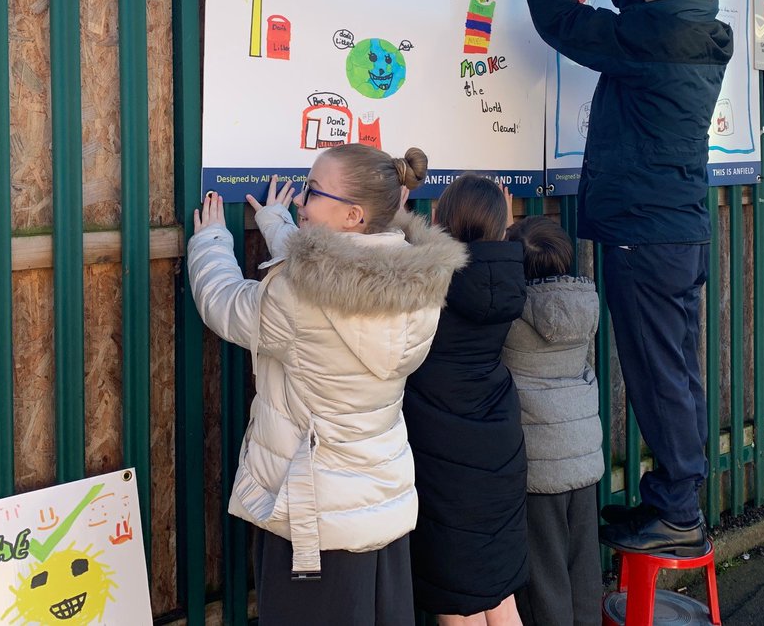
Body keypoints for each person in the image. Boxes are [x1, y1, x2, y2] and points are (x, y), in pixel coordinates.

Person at [516, 0, 733, 557]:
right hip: (675, 229)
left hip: (645, 230)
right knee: (676, 371)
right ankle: (677, 501)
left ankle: (675, 514)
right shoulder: (696, 29)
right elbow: (636, 5)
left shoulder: (656, 34)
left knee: (659, 373)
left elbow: (565, 25)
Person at [187, 145, 469, 625]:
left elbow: (225, 304)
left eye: (312, 192)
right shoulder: (417, 285)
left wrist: (211, 241)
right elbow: (338, 272)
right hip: (380, 504)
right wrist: (278, 225)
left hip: (313, 517)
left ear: (353, 215)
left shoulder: (296, 297)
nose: (301, 201)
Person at [403, 174, 529, 625]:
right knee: (499, 595)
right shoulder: (512, 274)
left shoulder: (429, 280)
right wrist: (504, 227)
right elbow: (493, 252)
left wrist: (396, 212)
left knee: (457, 605)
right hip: (499, 440)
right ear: (503, 228)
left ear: (436, 218)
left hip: (444, 449)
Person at [502, 215, 603, 626]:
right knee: (583, 567)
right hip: (583, 459)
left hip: (539, 466)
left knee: (545, 576)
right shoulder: (586, 306)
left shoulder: (512, 318)